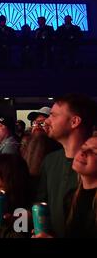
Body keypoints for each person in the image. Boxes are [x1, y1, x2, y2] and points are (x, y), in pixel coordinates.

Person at [36, 94, 96, 237]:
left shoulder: (90, 168)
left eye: (53, 115)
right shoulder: (50, 161)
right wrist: (16, 219)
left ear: (74, 121)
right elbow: (40, 206)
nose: (46, 121)